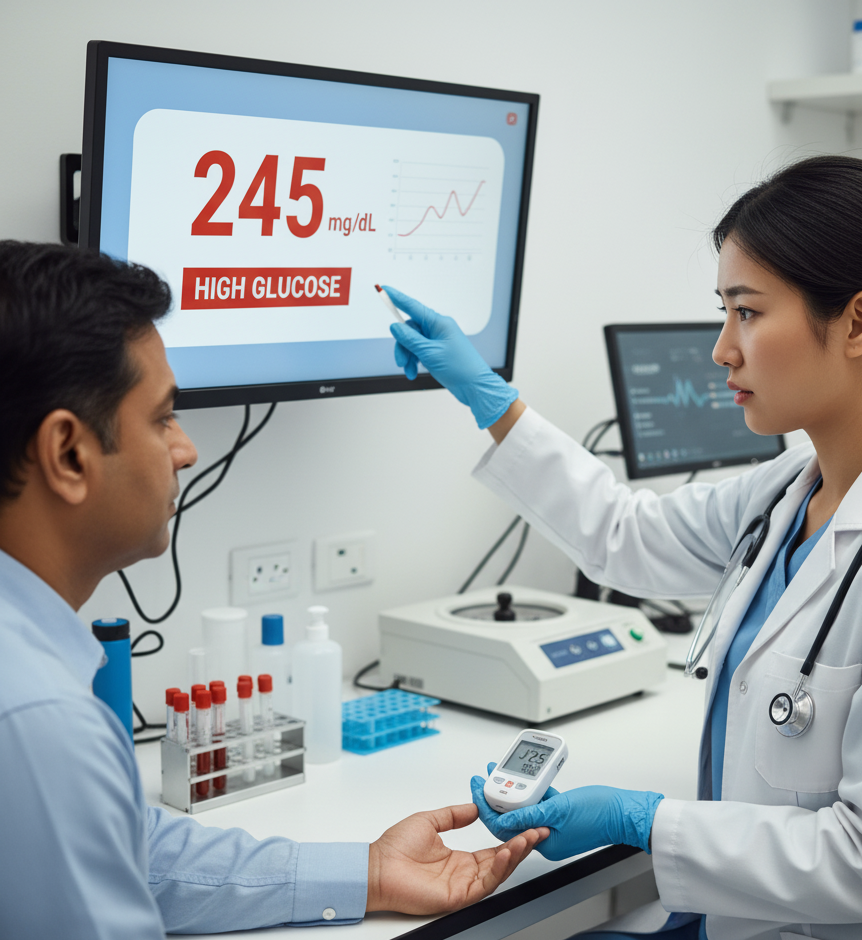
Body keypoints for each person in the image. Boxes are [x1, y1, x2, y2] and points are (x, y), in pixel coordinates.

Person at [384, 155, 862, 939]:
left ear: (859, 323)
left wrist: (644, 820)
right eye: (724, 311)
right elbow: (627, 538)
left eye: (748, 313)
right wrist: (491, 397)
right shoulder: (792, 488)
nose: (722, 349)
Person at [0, 241, 546, 939]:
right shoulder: (41, 726)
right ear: (69, 454)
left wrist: (371, 873)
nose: (186, 449)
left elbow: (133, 850)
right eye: (163, 417)